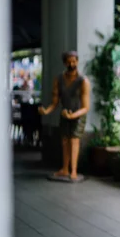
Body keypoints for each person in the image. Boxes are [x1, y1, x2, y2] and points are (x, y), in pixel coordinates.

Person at [38, 51, 90, 180]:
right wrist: (46, 111)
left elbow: (86, 107)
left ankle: (74, 170)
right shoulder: (59, 79)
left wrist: (73, 116)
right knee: (65, 141)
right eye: (69, 61)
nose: (71, 64)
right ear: (64, 63)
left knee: (74, 140)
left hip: (77, 114)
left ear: (77, 62)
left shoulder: (83, 81)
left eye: (74, 61)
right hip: (65, 113)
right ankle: (65, 169)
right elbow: (55, 102)